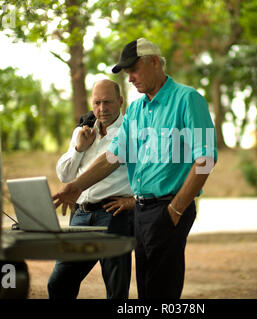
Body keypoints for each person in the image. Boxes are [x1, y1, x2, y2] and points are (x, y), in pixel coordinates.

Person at [52, 38, 217, 299]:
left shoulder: (188, 99)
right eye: (127, 72)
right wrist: (75, 186)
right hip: (140, 214)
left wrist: (175, 209)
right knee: (145, 291)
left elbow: (206, 159)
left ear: (154, 62)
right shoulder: (137, 109)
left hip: (168, 208)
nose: (130, 78)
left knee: (160, 293)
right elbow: (112, 157)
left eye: (133, 70)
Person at [47, 79, 135, 299]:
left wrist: (134, 201)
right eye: (97, 102)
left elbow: (148, 172)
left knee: (116, 290)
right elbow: (65, 174)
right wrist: (79, 148)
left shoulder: (131, 131)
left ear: (120, 101)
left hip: (113, 215)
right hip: (81, 215)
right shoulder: (84, 130)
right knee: (59, 283)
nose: (101, 109)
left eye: (107, 102)